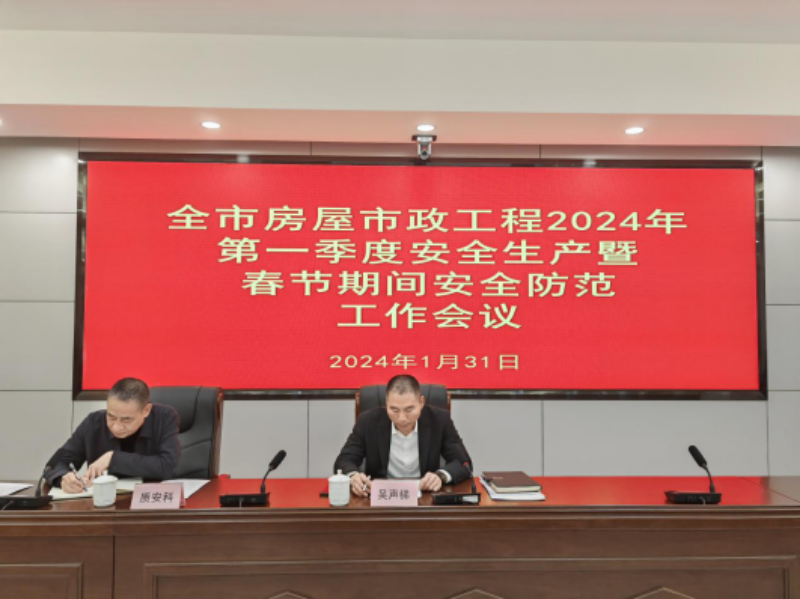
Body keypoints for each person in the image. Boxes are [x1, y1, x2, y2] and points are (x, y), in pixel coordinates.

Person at [334, 374, 471, 498]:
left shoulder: (440, 420)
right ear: (386, 404)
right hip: (382, 497)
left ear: (421, 403)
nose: (402, 418)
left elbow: (464, 463)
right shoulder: (368, 421)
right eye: (394, 410)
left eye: (409, 409)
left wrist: (440, 476)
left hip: (424, 497)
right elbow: (344, 460)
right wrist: (354, 477)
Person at [46, 377, 181, 493]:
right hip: (104, 504)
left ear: (146, 410)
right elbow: (55, 465)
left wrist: (112, 458)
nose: (116, 427)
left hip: (150, 503)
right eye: (111, 416)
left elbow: (167, 466)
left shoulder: (164, 417)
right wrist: (62, 478)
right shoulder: (93, 422)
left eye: (126, 419)